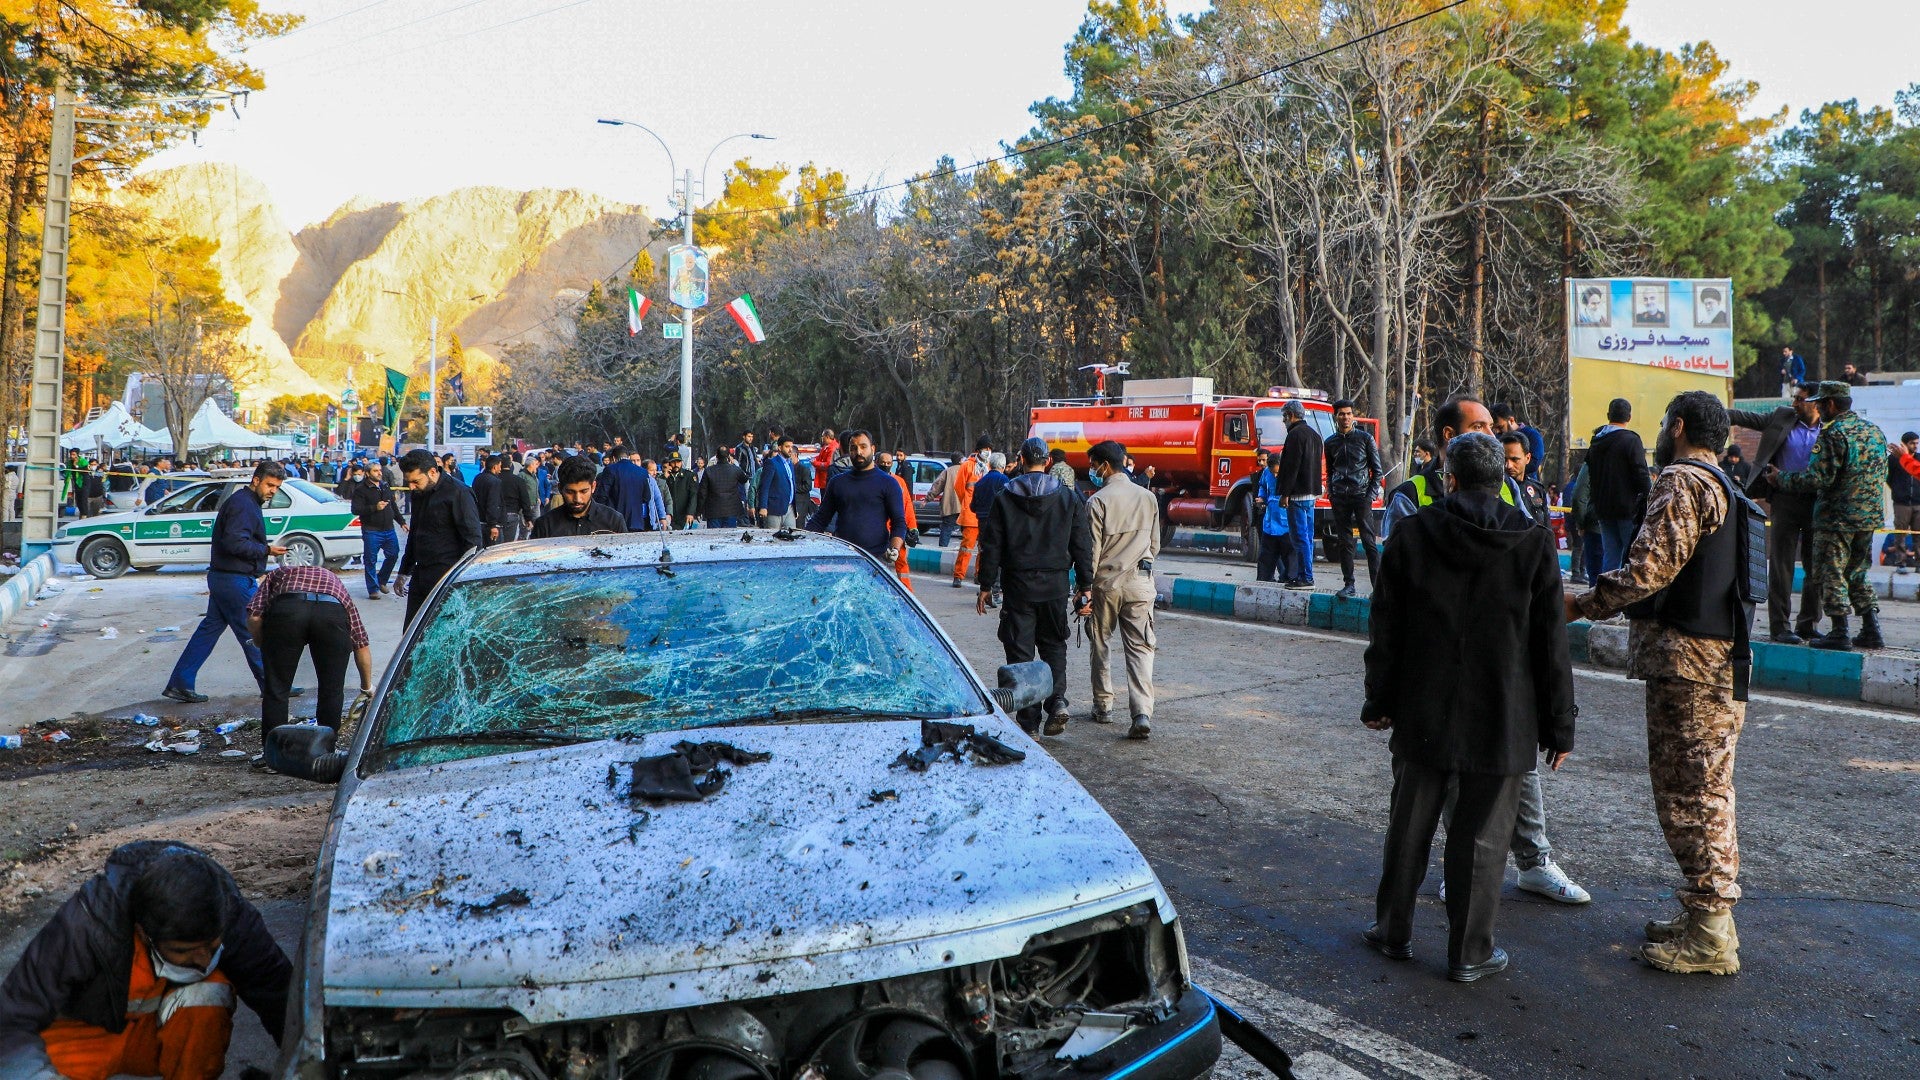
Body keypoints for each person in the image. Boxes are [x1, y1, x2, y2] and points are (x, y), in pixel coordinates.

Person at [1363, 432, 1575, 984]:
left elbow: (1387, 628)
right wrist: (1560, 726)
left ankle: (1392, 931)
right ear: (1503, 480)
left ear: (1448, 478)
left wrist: (1379, 700)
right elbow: (1550, 643)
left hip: (1423, 709)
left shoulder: (1411, 535)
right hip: (1503, 717)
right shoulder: (1533, 542)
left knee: (1409, 825)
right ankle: (1469, 953)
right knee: (1483, 839)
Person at [1571, 391, 1756, 975]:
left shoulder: (1682, 481)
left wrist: (1582, 603)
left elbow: (1650, 570)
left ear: (1677, 427)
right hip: (1719, 660)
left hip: (1690, 667)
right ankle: (1707, 916)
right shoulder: (1725, 484)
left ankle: (1710, 935)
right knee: (1706, 791)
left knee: (1689, 796)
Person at [0, 842, 292, 1080]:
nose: (203, 960)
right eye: (183, 952)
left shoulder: (233, 918)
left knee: (208, 994)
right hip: (85, 1037)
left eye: (212, 946)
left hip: (153, 1037)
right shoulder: (85, 925)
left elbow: (283, 1000)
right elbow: (13, 1018)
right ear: (144, 931)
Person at [976, 437, 1092, 736]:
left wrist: (986, 585)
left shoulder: (1005, 497)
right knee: (1054, 646)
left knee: (1020, 652)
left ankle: (1028, 723)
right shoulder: (1068, 498)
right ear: (1048, 461)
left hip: (1018, 587)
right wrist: (1085, 584)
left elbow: (992, 545)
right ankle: (1056, 703)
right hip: (1055, 586)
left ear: (1022, 460)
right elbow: (1082, 544)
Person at [1765, 381, 1889, 650]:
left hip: (1837, 518)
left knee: (1830, 572)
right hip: (1868, 517)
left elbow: (1818, 478)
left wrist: (1781, 479)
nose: (1819, 408)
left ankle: (1839, 631)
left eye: (1821, 403)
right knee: (1857, 572)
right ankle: (1871, 628)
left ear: (1831, 404)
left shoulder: (1834, 434)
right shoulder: (1874, 432)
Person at [161, 462, 286, 705]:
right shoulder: (243, 505)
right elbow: (235, 543)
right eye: (270, 485)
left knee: (208, 632)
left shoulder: (245, 502)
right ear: (256, 480)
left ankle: (180, 682)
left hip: (224, 577)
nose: (273, 491)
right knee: (254, 630)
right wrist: (267, 549)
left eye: (277, 487)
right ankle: (273, 685)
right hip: (233, 579)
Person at [1729, 384, 1823, 643]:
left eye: (1800, 399)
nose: (1794, 403)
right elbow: (1748, 419)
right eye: (1794, 398)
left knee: (1816, 566)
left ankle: (1808, 623)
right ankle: (1780, 626)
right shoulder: (1783, 416)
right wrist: (1718, 411)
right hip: (1784, 500)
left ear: (1816, 403)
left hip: (1818, 502)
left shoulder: (1832, 427)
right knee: (1781, 565)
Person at [1082, 440, 1159, 739]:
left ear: (1104, 465)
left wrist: (1085, 588)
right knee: (1141, 647)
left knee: (1101, 642)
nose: (1091, 471)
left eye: (1092, 465)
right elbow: (1155, 545)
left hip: (1107, 584)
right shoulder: (1147, 497)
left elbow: (1093, 552)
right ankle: (1141, 712)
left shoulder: (1097, 501)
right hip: (1141, 583)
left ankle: (1104, 706)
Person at [245, 563, 373, 742]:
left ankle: (273, 755)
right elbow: (360, 642)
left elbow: (255, 616)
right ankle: (325, 753)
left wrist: (261, 643)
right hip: (331, 613)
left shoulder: (278, 573)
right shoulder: (334, 581)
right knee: (332, 689)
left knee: (277, 689)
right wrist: (367, 687)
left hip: (288, 610)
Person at [394, 449, 482, 628]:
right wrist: (404, 572)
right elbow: (415, 534)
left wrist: (462, 580)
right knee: (412, 633)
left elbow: (472, 542)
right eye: (408, 482)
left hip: (447, 576)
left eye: (415, 481)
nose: (411, 487)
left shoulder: (459, 493)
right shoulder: (419, 494)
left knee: (443, 632)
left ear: (432, 472)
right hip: (421, 575)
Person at [806, 430, 907, 565]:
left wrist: (894, 548)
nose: (858, 452)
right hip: (843, 559)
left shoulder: (888, 483)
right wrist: (803, 539)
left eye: (863, 447)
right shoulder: (837, 483)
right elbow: (820, 519)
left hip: (876, 562)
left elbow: (899, 522)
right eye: (853, 448)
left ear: (872, 449)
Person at [1323, 399, 1382, 598]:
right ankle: (1349, 584)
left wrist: (1369, 496)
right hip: (1340, 498)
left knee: (1369, 543)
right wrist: (1331, 493)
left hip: (1361, 496)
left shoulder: (1365, 439)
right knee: (1345, 543)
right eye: (1341, 414)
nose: (1345, 417)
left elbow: (1377, 471)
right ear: (1336, 416)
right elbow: (1330, 471)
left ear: (1353, 416)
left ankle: (1378, 587)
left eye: (1348, 413)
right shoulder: (1330, 442)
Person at [1587, 398, 1651, 573]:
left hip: (1602, 508)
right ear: (1629, 417)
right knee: (1631, 555)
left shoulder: (1596, 443)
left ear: (1608, 415)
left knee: (1610, 556)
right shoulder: (1631, 441)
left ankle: (1607, 595)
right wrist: (1650, 498)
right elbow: (1641, 474)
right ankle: (1626, 597)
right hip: (1627, 509)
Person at [1273, 401, 1322, 589]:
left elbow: (1291, 468)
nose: (1283, 420)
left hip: (1297, 495)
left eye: (1284, 416)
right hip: (1311, 494)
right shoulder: (1315, 435)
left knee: (1299, 538)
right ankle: (1305, 574)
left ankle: (1305, 577)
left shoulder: (1294, 435)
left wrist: (1285, 494)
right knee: (1307, 537)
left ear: (1291, 415)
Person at [532, 454, 628, 537]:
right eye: (570, 492)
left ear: (593, 487)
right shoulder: (544, 525)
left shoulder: (614, 521)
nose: (577, 499)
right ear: (560, 488)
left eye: (584, 491)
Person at [351, 466, 402, 599]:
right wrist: (374, 507)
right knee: (370, 560)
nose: (379, 473)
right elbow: (356, 509)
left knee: (393, 554)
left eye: (379, 470)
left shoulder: (385, 486)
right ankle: (373, 589)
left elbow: (393, 506)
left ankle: (382, 580)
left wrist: (402, 522)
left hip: (389, 529)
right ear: (367, 473)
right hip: (371, 530)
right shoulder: (361, 490)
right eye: (375, 471)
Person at [875, 450, 919, 589]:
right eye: (883, 463)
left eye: (888, 463)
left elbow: (907, 505)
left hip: (896, 528)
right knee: (877, 563)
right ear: (877, 463)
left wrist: (912, 527)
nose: (886, 465)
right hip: (878, 529)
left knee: (901, 561)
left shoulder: (899, 482)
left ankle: (908, 593)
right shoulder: (871, 481)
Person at [951, 438, 990, 588]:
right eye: (985, 448)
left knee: (983, 548)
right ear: (978, 450)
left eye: (989, 449)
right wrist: (967, 503)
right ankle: (958, 575)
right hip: (971, 514)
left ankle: (979, 576)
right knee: (966, 546)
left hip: (985, 514)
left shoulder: (988, 466)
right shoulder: (967, 466)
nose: (988, 451)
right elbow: (959, 487)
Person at [594, 450, 668, 532]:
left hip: (615, 521)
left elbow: (602, 496)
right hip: (638, 521)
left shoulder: (610, 470)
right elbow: (647, 497)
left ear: (614, 458)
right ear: (628, 457)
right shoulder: (642, 472)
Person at [1252, 453, 1291, 583]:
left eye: (1277, 473)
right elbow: (1262, 486)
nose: (1275, 475)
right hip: (1269, 521)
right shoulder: (1266, 473)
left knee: (1288, 555)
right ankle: (1264, 579)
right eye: (1273, 472)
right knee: (1266, 555)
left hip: (1285, 521)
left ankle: (1288, 578)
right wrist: (1262, 497)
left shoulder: (1289, 472)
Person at [1885, 432, 1920, 572]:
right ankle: (1901, 562)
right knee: (1900, 534)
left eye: (1917, 443)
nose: (1915, 446)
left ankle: (1919, 563)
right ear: (1904, 444)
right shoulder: (1893, 460)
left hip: (1918, 502)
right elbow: (1888, 478)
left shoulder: (1919, 458)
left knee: (1918, 534)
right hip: (1901, 503)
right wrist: (1899, 491)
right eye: (1912, 443)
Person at [1501, 433, 1550, 522]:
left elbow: (1547, 528)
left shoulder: (1537, 489)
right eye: (1504, 459)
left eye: (1514, 459)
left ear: (1527, 458)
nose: (1508, 465)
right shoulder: (1496, 490)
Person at [1490, 404, 1546, 482]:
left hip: (1526, 485)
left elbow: (1534, 462)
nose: (1497, 431)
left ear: (1511, 420)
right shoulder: (1496, 438)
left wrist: (1511, 471)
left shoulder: (1532, 435)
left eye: (1500, 427)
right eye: (1494, 428)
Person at [697, 447, 750, 528]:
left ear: (716, 456)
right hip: (731, 510)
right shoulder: (735, 469)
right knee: (729, 537)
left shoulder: (709, 471)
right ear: (728, 456)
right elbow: (744, 479)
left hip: (713, 510)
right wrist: (734, 464)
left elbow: (702, 492)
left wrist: (699, 510)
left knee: (713, 538)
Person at [756, 436, 799, 530]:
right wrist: (763, 507)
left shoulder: (790, 464)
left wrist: (795, 507)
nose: (790, 449)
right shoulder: (771, 463)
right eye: (787, 447)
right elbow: (764, 486)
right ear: (779, 448)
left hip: (790, 507)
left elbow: (791, 484)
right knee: (773, 538)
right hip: (774, 508)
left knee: (791, 538)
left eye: (791, 447)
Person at [471, 455, 503, 547]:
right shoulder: (495, 482)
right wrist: (493, 525)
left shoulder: (477, 478)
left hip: (478, 521)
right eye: (500, 466)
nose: (500, 469)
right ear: (495, 467)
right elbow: (493, 503)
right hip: (490, 525)